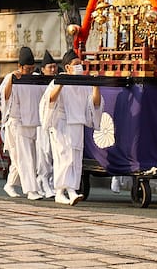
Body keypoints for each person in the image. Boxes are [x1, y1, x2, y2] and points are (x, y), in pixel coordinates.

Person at [43, 51, 102, 205]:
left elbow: (95, 104)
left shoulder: (83, 82)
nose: (79, 67)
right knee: (64, 157)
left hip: (77, 124)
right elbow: (49, 100)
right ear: (68, 67)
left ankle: (68, 190)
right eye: (76, 64)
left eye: (80, 64)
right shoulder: (58, 79)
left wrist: (96, 86)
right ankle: (64, 191)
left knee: (75, 158)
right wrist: (61, 83)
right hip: (62, 124)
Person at [0, 46, 44, 199]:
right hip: (17, 124)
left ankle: (10, 184)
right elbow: (3, 97)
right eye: (27, 69)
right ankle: (31, 190)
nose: (30, 71)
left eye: (32, 68)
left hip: (33, 123)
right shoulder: (11, 77)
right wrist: (11, 81)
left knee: (26, 158)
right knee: (25, 158)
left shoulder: (35, 77)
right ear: (20, 66)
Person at [34, 51, 59, 197]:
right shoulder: (37, 81)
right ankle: (42, 179)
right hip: (41, 122)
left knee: (54, 153)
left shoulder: (57, 82)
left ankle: (50, 182)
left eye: (55, 67)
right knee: (44, 152)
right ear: (43, 69)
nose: (53, 70)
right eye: (50, 67)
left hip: (55, 123)